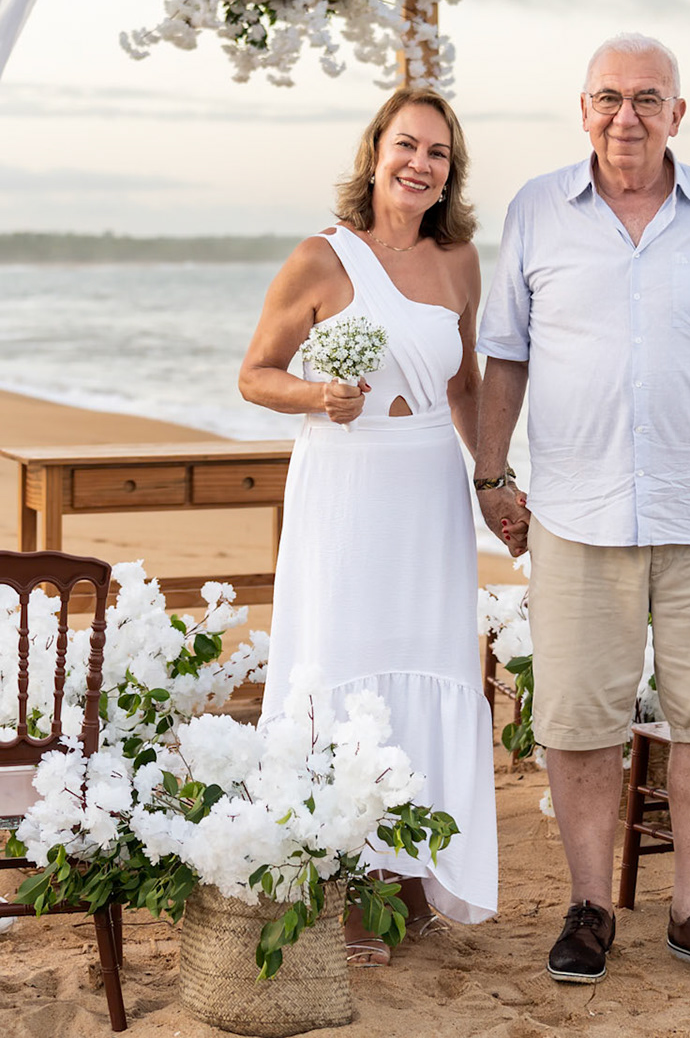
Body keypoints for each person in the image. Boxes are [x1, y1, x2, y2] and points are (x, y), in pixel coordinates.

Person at [474, 33, 690, 993]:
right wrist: (492, 476)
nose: (628, 115)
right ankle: (590, 908)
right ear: (583, 110)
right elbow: (507, 356)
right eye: (610, 97)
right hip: (577, 512)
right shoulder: (537, 210)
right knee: (580, 720)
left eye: (648, 98)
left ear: (678, 114)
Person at [239, 88, 499, 963]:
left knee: (427, 659)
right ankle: (341, 876)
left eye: (439, 152)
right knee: (346, 662)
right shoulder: (322, 257)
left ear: (449, 171)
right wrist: (318, 395)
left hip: (429, 485)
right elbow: (254, 374)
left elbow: (463, 388)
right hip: (346, 484)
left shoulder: (460, 260)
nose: (421, 163)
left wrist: (492, 479)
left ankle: (413, 869)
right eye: (408, 145)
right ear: (375, 151)